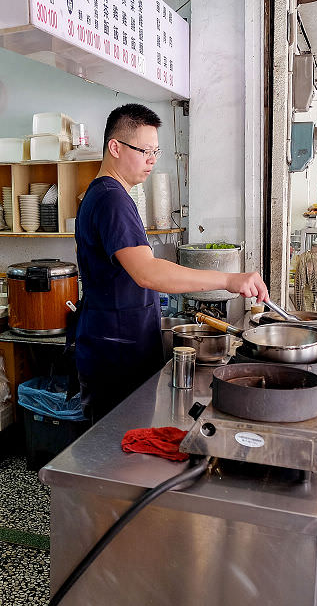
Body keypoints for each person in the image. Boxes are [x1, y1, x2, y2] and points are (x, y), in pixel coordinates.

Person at [74, 104, 269, 422]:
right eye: (145, 150)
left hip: (117, 343)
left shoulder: (110, 195)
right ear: (115, 147)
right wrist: (228, 280)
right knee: (119, 450)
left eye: (156, 150)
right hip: (116, 351)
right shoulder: (111, 199)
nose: (152, 159)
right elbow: (148, 272)